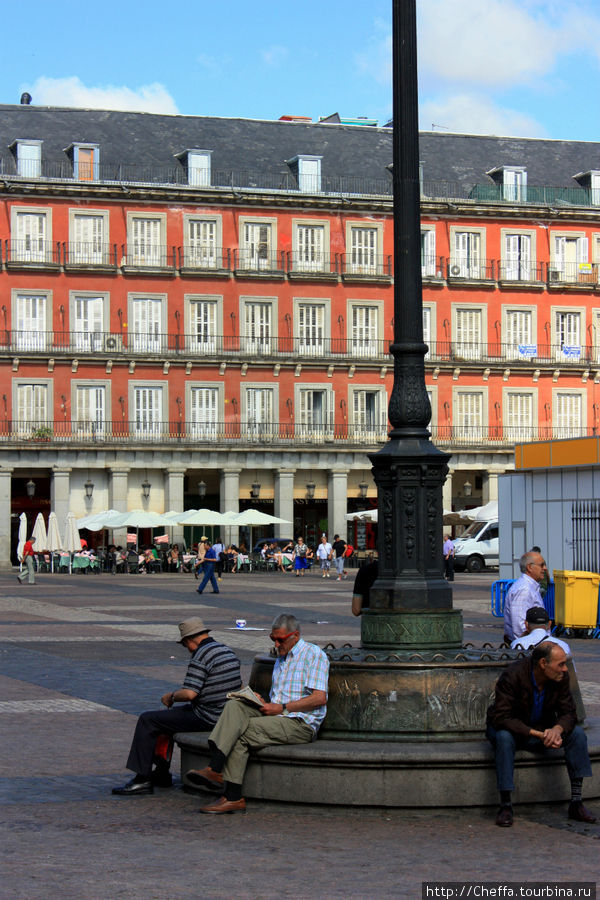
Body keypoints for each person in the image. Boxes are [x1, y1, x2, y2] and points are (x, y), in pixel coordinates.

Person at [186, 613, 330, 814]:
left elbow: (319, 698)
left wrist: (282, 707)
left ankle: (233, 797)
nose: (277, 644)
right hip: (277, 714)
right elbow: (280, 697)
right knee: (235, 705)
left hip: (299, 722)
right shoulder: (282, 656)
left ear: (295, 636)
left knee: (243, 731)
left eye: (281, 640)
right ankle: (214, 768)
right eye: (273, 639)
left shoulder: (313, 654)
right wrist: (261, 701)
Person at [112, 618, 241, 796]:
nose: (187, 649)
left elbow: (189, 694)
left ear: (190, 640)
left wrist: (171, 696)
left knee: (147, 720)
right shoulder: (226, 650)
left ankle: (142, 779)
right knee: (167, 719)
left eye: (185, 645)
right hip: (225, 714)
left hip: (208, 716)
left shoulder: (202, 654)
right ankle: (161, 773)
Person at [486, 642, 596, 827]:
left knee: (577, 734)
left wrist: (557, 730)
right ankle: (505, 805)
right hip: (515, 729)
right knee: (504, 738)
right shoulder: (513, 675)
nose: (564, 668)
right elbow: (502, 717)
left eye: (564, 663)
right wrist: (539, 734)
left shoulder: (561, 677)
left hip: (543, 728)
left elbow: (569, 712)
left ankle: (576, 802)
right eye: (560, 664)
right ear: (543, 663)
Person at [503, 550, 546, 643]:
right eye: (542, 565)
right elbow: (519, 626)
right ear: (530, 567)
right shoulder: (524, 589)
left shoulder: (530, 587)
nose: (545, 568)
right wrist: (529, 645)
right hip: (529, 647)